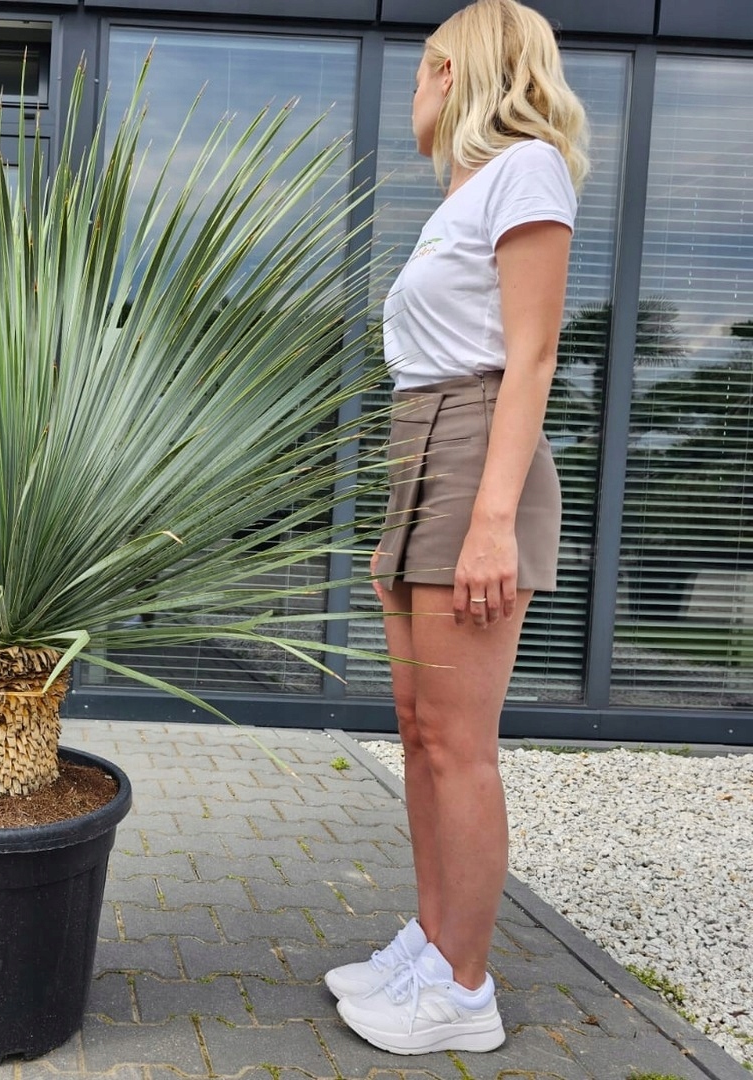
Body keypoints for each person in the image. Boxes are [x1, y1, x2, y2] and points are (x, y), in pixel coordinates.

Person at [324, 0, 588, 1056]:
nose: (412, 96)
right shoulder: (465, 196)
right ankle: (434, 947)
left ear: (452, 70)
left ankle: (465, 992)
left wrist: (490, 525)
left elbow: (532, 357)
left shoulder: (527, 167)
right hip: (424, 444)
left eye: (421, 72)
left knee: (459, 742)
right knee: (419, 729)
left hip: (477, 447)